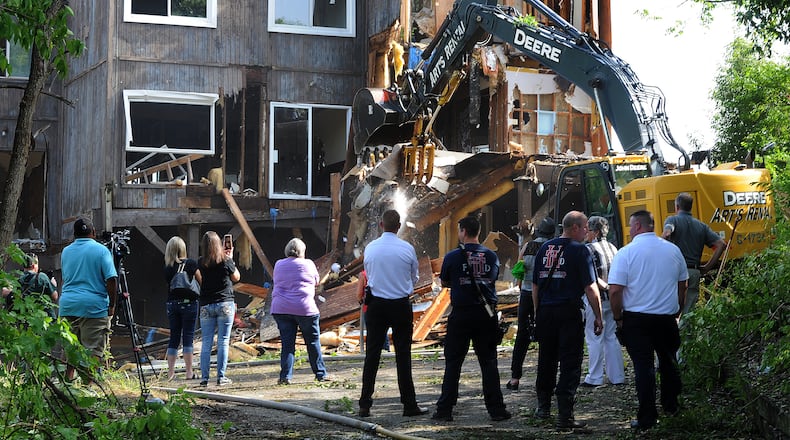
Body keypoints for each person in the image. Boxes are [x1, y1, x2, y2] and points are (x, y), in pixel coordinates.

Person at [609, 210, 688, 430]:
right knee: (669, 362)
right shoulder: (673, 251)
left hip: (637, 319)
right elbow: (683, 284)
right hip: (666, 317)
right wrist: (678, 309)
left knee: (643, 367)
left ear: (636, 227)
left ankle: (647, 417)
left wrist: (618, 318)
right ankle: (671, 405)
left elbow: (615, 291)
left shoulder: (626, 253)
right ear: (652, 226)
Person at [433, 215, 511, 422]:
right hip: (486, 314)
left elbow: (445, 282)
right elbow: (493, 279)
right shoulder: (491, 256)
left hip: (461, 314)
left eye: (459, 230)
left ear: (463, 231)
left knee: (453, 363)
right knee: (488, 363)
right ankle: (497, 410)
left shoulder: (452, 257)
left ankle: (444, 410)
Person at [531, 211, 602, 430]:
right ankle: (565, 416)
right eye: (584, 228)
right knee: (570, 364)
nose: (586, 232)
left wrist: (537, 312)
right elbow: (590, 287)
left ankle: (543, 407)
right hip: (568, 312)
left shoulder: (544, 249)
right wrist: (598, 316)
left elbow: (535, 286)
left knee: (547, 359)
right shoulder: (580, 250)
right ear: (574, 228)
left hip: (546, 312)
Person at [358, 209, 426, 418]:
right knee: (403, 355)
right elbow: (414, 277)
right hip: (399, 304)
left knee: (372, 355)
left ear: (381, 225)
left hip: (376, 305)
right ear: (399, 226)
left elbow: (367, 273)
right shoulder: (407, 249)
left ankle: (365, 404)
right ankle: (409, 404)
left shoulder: (371, 248)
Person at [59, 218, 118, 380]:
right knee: (93, 351)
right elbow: (111, 279)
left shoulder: (66, 251)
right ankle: (87, 389)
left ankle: (67, 384)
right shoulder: (101, 251)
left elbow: (66, 278)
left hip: (68, 305)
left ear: (74, 235)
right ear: (93, 233)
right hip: (94, 307)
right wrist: (112, 305)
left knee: (70, 348)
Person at [506, 216, 555, 391]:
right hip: (546, 297)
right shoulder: (551, 248)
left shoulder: (528, 246)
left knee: (522, 337)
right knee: (547, 338)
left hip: (526, 294)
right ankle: (545, 380)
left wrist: (521, 288)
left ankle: (514, 378)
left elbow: (518, 271)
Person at [271, 237, 330, 384]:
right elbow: (316, 282)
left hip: (281, 308)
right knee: (312, 342)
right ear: (302, 251)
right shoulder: (308, 264)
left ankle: (285, 377)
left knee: (287, 343)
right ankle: (320, 374)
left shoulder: (278, 264)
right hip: (304, 308)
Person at [662, 192, 726, 314]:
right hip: (693, 272)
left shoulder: (672, 220)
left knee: (670, 310)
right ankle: (686, 332)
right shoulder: (701, 226)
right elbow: (721, 245)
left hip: (675, 272)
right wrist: (707, 267)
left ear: (677, 207)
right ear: (690, 207)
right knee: (688, 313)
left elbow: (667, 233)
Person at [581, 216, 624, 387]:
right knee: (611, 337)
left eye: (588, 230)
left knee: (594, 337)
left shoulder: (588, 249)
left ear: (596, 232)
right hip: (613, 299)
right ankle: (617, 376)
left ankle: (595, 377)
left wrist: (603, 287)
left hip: (595, 299)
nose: (586, 233)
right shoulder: (614, 248)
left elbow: (590, 277)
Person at [198, 231, 241, 386]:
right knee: (223, 341)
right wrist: (230, 259)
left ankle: (204, 378)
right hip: (224, 303)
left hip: (206, 305)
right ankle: (221, 377)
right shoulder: (225, 260)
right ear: (219, 245)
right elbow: (236, 277)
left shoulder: (200, 262)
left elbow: (201, 281)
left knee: (206, 342)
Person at [164, 236, 202, 380]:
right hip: (189, 303)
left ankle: (171, 373)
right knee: (188, 337)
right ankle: (188, 372)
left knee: (174, 337)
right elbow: (201, 281)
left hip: (172, 304)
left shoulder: (167, 267)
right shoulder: (191, 264)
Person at [3, 253, 59, 317]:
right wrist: (53, 285)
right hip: (42, 316)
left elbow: (5, 292)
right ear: (33, 265)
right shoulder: (42, 277)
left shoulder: (18, 278)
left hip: (23, 316)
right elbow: (55, 297)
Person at [356, 270, 390, 352]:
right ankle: (385, 349)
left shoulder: (364, 274)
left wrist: (360, 300)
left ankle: (373, 352)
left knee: (372, 331)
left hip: (370, 307)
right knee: (384, 328)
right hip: (386, 303)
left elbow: (359, 294)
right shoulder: (384, 272)